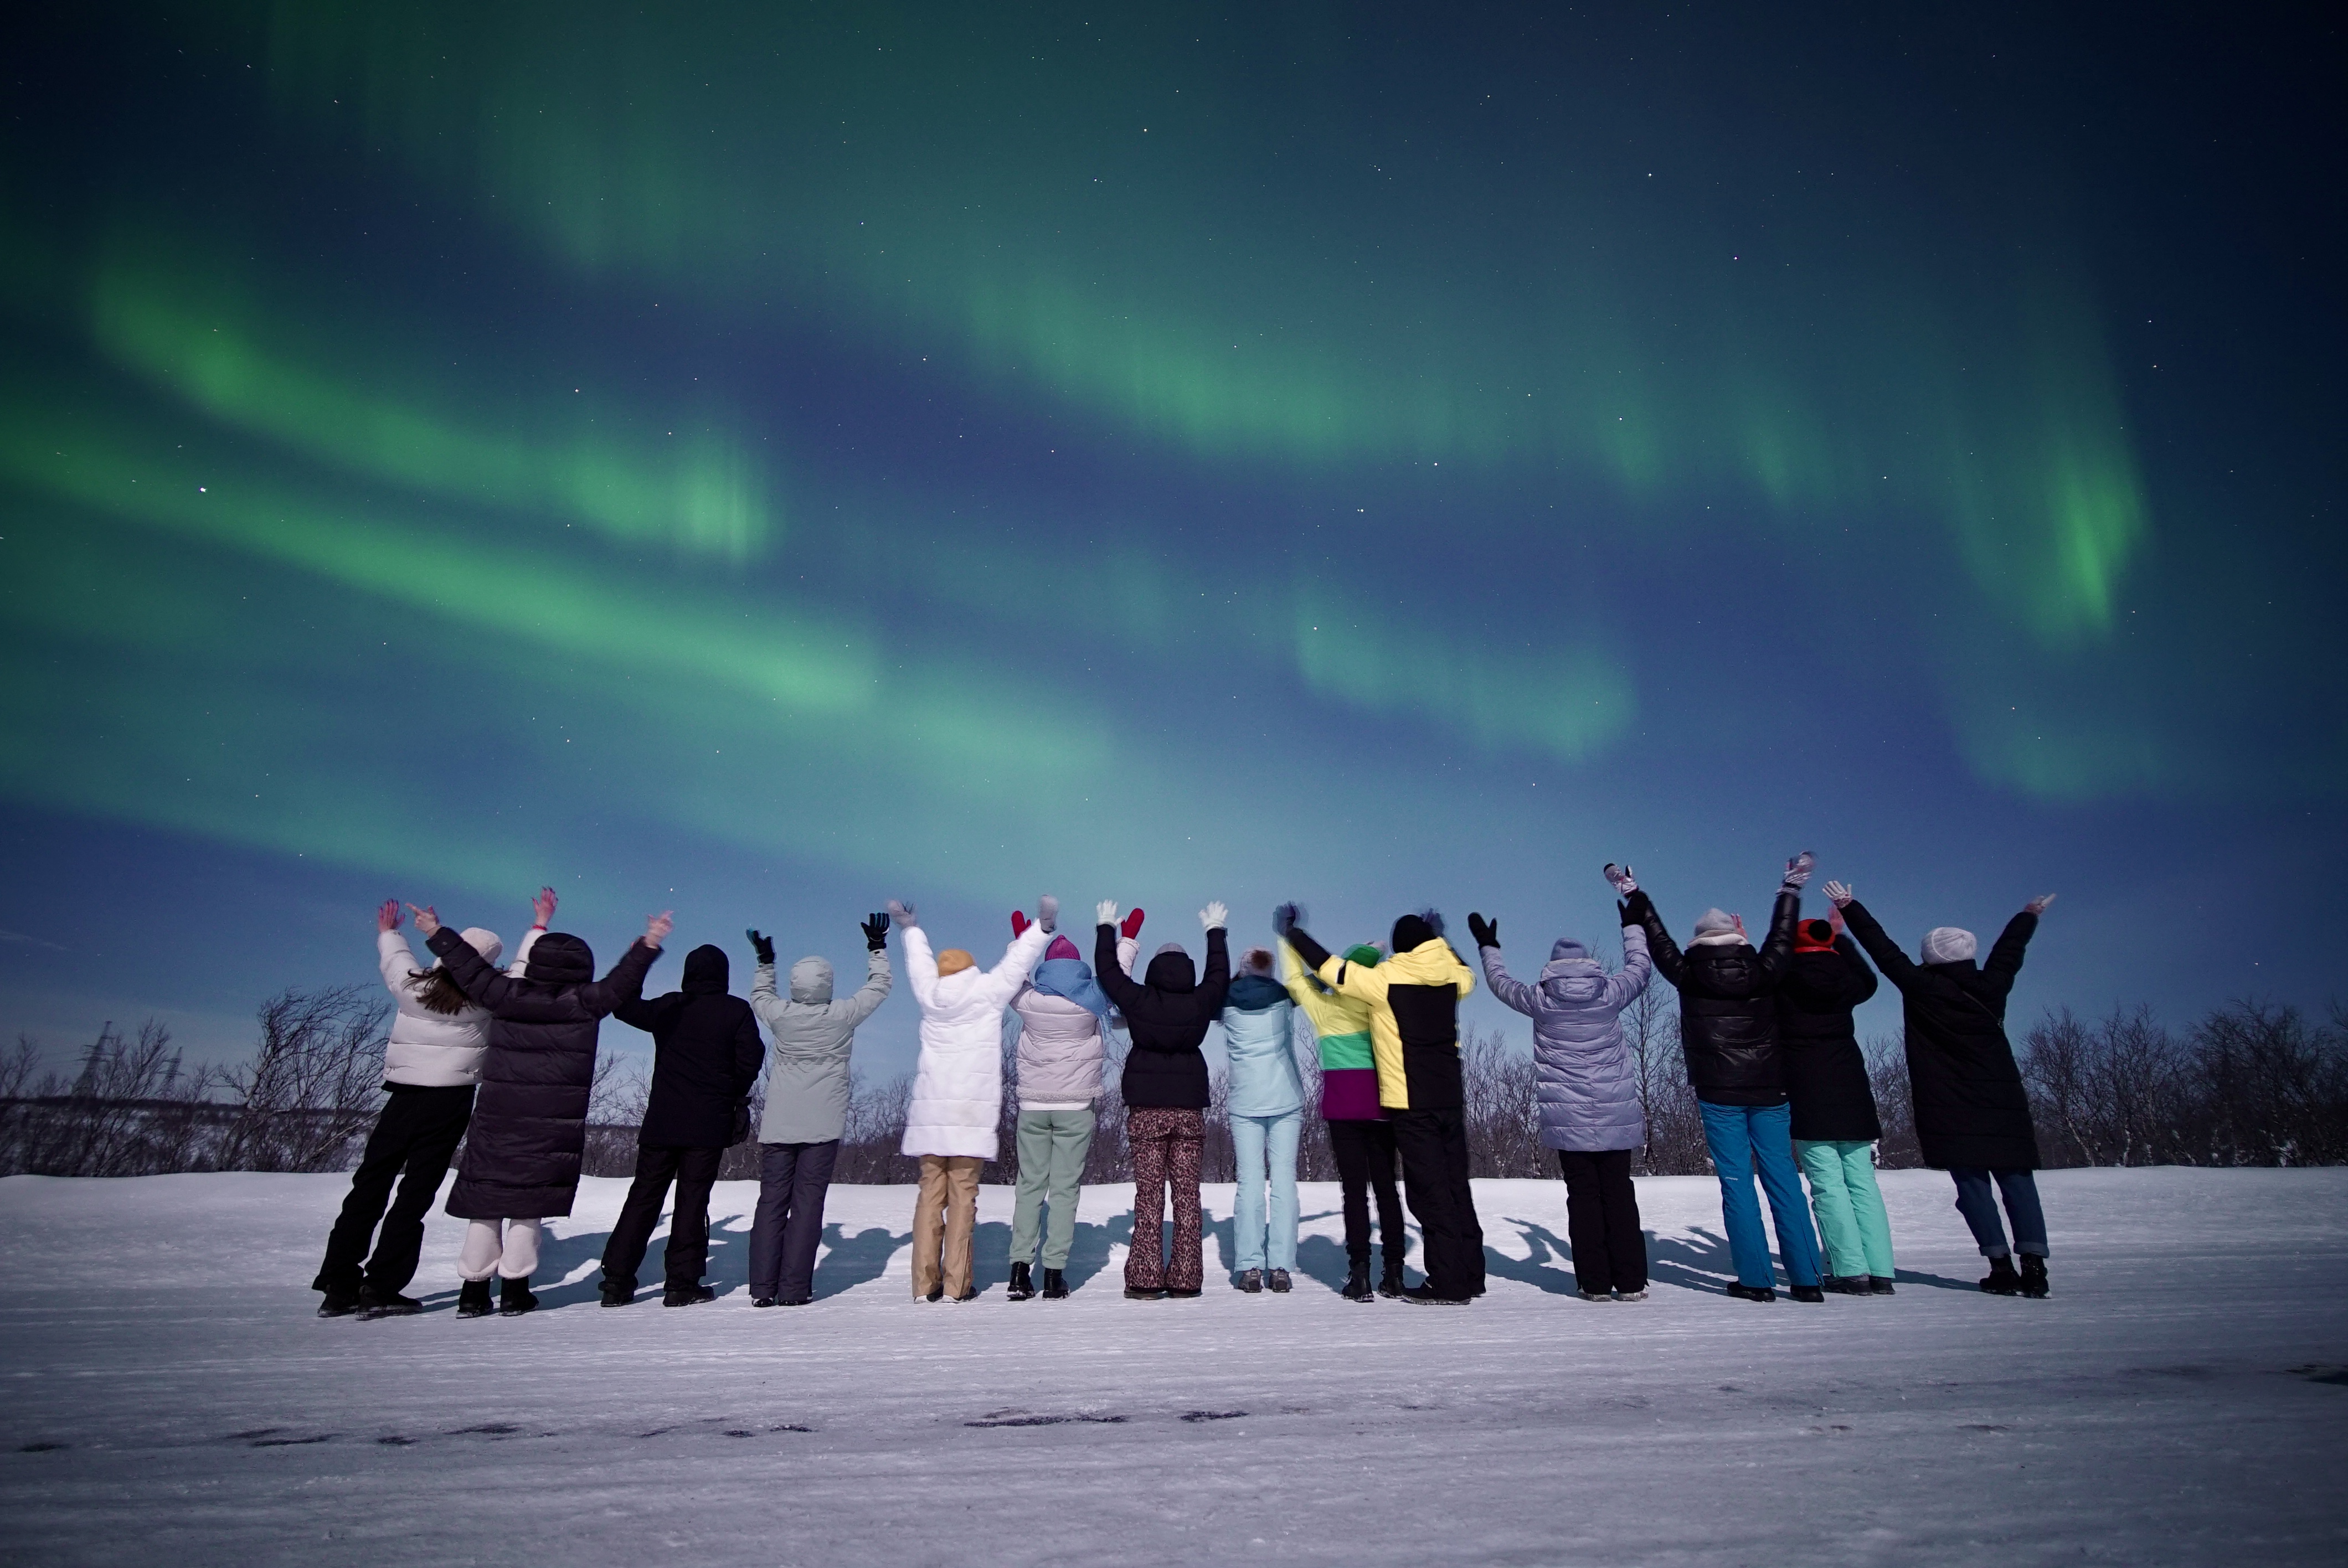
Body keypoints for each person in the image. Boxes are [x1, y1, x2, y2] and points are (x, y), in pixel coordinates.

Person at [419, 900, 669, 1317]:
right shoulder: (586, 1001)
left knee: (486, 1204)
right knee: (529, 1207)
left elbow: (467, 967)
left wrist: (435, 931)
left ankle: (473, 1292)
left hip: (497, 1122)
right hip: (551, 1128)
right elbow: (622, 983)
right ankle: (516, 1291)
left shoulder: (506, 994)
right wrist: (648, 943)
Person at [312, 890, 547, 1319]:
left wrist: (389, 933)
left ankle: (339, 1284)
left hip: (403, 1096)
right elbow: (521, 971)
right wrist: (538, 926)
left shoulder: (413, 988)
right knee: (414, 1195)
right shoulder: (485, 999)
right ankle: (381, 1285)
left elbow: (393, 961)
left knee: (368, 1187)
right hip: (449, 1102)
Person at [1827, 880, 2057, 1297]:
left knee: (1972, 1187)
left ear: (1930, 956)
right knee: (2019, 1183)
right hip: (2002, 1100)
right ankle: (2035, 1268)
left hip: (1948, 1103)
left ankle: (2000, 1267)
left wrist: (1850, 908)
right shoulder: (1993, 985)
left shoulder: (1922, 986)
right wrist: (2027, 917)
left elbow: (1884, 951)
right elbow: (2010, 952)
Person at [1616, 855, 1825, 1304]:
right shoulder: (1764, 969)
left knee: (1737, 1182)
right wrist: (1789, 889)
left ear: (1698, 941)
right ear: (1736, 935)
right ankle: (1807, 1280)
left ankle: (1756, 1279)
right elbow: (1784, 936)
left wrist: (1636, 896)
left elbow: (1658, 939)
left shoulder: (1688, 974)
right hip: (1770, 1088)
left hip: (1719, 1092)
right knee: (1785, 1178)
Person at [1276, 905, 1482, 1305]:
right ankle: (1470, 1273)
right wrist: (1441, 941)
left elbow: (1329, 968)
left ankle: (1448, 1283)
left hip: (1410, 1098)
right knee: (1457, 1186)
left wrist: (1292, 934)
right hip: (1451, 1096)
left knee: (1428, 1193)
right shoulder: (1456, 978)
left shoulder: (1384, 981)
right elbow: (1466, 972)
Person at [1469, 902, 1654, 1302]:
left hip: (1568, 1120)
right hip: (1615, 1115)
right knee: (1619, 1194)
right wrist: (1632, 924)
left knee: (1583, 1198)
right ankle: (1633, 1282)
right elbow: (1640, 967)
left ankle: (1595, 1283)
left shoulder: (1541, 999)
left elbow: (1500, 983)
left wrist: (1489, 947)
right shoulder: (1610, 994)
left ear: (1552, 967)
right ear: (1589, 964)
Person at [896, 895, 1053, 1302]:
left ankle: (921, 1286)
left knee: (929, 1196)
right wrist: (1041, 928)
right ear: (969, 969)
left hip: (932, 1115)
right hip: (968, 1114)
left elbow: (918, 965)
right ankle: (955, 1286)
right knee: (963, 1198)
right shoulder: (984, 991)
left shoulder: (930, 996)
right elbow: (1016, 965)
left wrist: (911, 929)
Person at [598, 941, 765, 1307]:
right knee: (692, 1200)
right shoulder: (735, 1011)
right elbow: (752, 1058)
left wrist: (640, 964)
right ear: (723, 975)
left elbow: (622, 1006)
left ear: (688, 973)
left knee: (643, 1198)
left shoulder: (670, 1006)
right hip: (707, 1124)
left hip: (663, 1120)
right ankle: (681, 1285)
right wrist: (731, 1093)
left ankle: (616, 1281)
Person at [744, 912, 893, 1307]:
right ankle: (793, 1290)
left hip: (779, 1124)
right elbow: (879, 987)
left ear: (795, 985)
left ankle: (762, 1289)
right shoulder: (841, 1016)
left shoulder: (780, 1016)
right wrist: (876, 948)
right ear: (828, 984)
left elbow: (760, 997)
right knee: (808, 1204)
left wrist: (765, 963)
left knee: (772, 1202)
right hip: (822, 1125)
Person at [1094, 901, 1230, 1301]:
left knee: (1149, 1195)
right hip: (1188, 1109)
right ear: (1188, 971)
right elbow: (1219, 975)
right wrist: (1215, 931)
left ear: (1153, 971)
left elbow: (1107, 973)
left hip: (1147, 1110)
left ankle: (1146, 1279)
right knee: (1188, 1196)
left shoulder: (1138, 1000)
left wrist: (1105, 928)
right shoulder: (1201, 1002)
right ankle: (1187, 1280)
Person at [1002, 909, 1126, 1301]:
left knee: (1029, 1187)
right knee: (1065, 1190)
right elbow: (1116, 976)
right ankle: (1054, 1275)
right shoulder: (1093, 1001)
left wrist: (1022, 941)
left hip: (1034, 1105)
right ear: (1078, 969)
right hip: (1076, 1107)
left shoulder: (1028, 1002)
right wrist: (1127, 941)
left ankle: (1019, 1273)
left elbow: (1012, 976)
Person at [1280, 922, 1404, 1301]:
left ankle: (1360, 1275)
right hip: (1383, 1106)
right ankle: (1395, 1274)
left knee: (1355, 1192)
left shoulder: (1326, 1007)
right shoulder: (1384, 1004)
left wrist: (1288, 938)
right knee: (1387, 1190)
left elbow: (1294, 980)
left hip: (1343, 1108)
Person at [1776, 904, 1895, 1296]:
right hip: (1851, 1089)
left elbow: (1766, 968)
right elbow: (1868, 977)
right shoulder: (1847, 983)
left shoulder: (1785, 981)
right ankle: (1881, 1270)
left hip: (1807, 1091)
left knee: (1827, 1185)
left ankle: (1850, 1271)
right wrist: (1841, 938)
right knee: (1863, 1183)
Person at [1222, 944, 1304, 1293]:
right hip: (1286, 1097)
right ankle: (1281, 1267)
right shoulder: (1285, 996)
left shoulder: (1224, 1000)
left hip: (1245, 1100)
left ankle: (1250, 1267)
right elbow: (1321, 980)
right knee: (1284, 1181)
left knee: (1250, 1182)